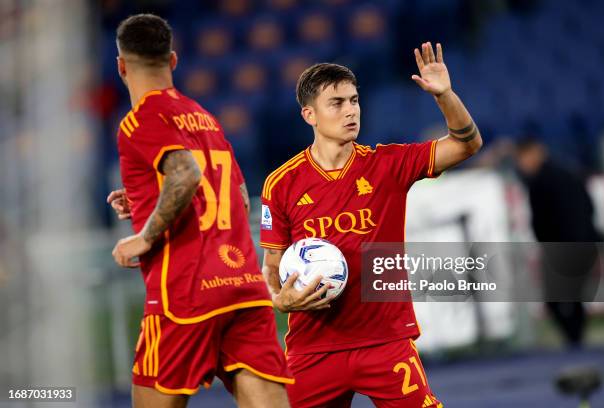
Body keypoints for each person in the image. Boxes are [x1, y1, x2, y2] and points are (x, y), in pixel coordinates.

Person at [260, 43, 483, 408]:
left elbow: (467, 144)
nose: (350, 111)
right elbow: (271, 266)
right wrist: (279, 298)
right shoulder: (281, 183)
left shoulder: (388, 164)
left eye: (354, 101)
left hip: (386, 343)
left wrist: (445, 96)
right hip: (314, 349)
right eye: (337, 103)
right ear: (309, 115)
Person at [108, 14, 291, 408]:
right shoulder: (204, 118)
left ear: (122, 66)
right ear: (172, 61)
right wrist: (145, 200)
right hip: (242, 284)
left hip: (184, 293)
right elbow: (238, 196)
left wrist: (145, 236)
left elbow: (186, 175)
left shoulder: (139, 120)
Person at [515, 137, 604, 348]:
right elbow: (588, 206)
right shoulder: (569, 172)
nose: (521, 164)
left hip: (562, 247)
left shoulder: (541, 181)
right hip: (580, 244)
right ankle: (576, 339)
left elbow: (546, 220)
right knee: (571, 297)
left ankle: (574, 339)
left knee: (559, 299)